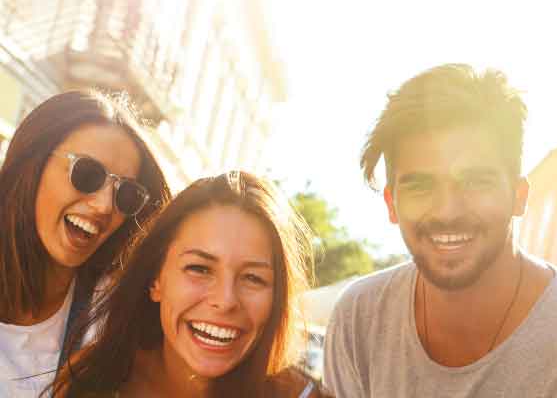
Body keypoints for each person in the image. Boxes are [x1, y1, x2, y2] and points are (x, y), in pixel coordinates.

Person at [323, 64, 557, 397]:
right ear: (392, 204)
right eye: (421, 186)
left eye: (475, 182)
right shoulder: (360, 317)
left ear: (519, 196)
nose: (447, 211)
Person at [48, 171, 331, 398]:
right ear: (156, 280)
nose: (225, 300)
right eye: (199, 268)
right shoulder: (89, 380)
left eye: (253, 278)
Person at [0, 91, 171, 397]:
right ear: (34, 163)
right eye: (87, 174)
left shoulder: (109, 320)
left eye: (126, 194)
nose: (105, 206)